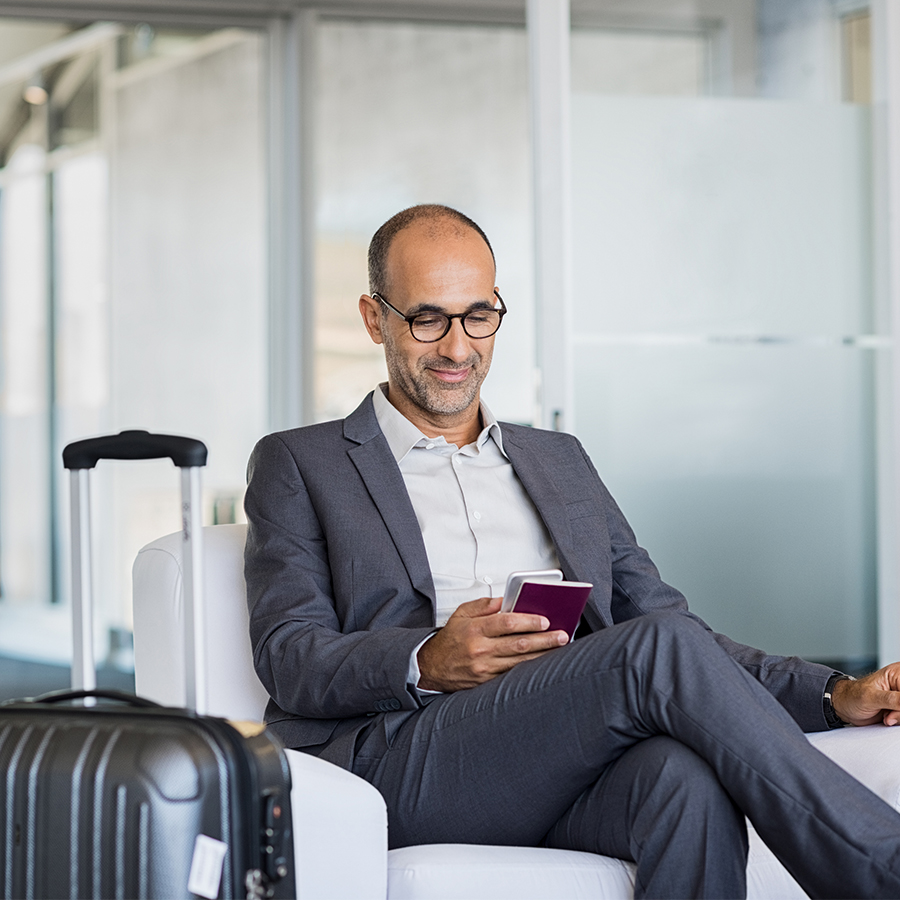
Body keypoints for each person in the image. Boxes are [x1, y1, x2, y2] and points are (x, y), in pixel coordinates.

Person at [244, 204, 900, 899]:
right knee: (655, 651)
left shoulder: (558, 461)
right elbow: (289, 654)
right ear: (376, 319)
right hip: (407, 760)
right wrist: (426, 658)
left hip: (557, 753)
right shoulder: (301, 463)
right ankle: (878, 869)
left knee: (684, 781)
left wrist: (835, 695)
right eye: (427, 318)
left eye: (479, 315)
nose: (458, 347)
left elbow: (683, 640)